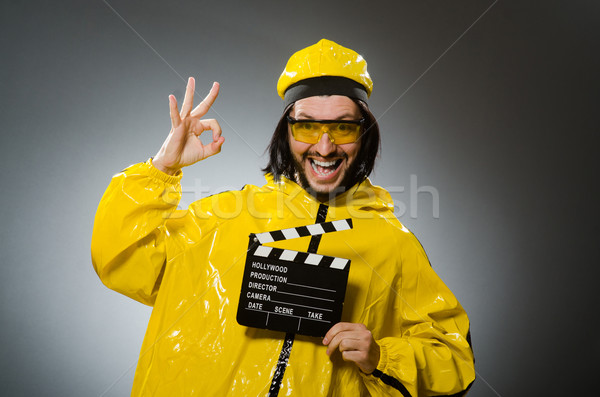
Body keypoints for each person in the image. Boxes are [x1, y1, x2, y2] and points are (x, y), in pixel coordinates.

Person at [92, 39, 475, 396]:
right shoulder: (223, 216)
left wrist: (381, 357)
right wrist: (162, 168)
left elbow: (454, 358)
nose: (324, 146)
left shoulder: (394, 245)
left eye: (342, 126)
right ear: (286, 131)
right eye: (307, 125)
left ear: (365, 134)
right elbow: (121, 257)